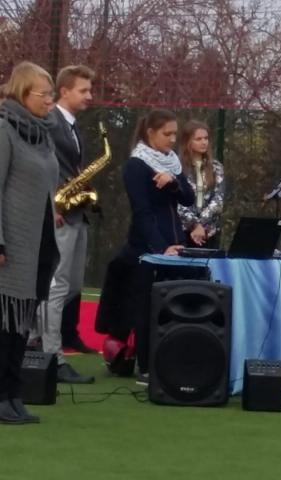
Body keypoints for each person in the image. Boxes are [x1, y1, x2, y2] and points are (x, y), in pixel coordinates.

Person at [95, 109, 194, 385]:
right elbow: (142, 212)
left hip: (176, 243)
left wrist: (173, 182)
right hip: (146, 246)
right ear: (150, 133)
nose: (172, 139)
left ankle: (175, 358)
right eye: (167, 134)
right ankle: (145, 364)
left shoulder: (172, 162)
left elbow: (188, 198)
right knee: (145, 305)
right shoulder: (136, 166)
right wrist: (160, 248)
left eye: (175, 134)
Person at [0, 61, 60, 424]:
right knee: (5, 322)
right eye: (44, 94)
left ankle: (13, 394)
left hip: (39, 241)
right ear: (23, 93)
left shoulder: (42, 134)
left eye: (52, 94)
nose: (50, 101)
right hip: (12, 242)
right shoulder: (4, 129)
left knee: (21, 323)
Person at [38, 65, 98, 386]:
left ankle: (34, 339)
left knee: (72, 285)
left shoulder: (72, 125)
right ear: (64, 91)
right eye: (83, 90)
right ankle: (52, 357)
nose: (89, 96)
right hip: (59, 212)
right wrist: (51, 203)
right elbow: (41, 161)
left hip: (75, 212)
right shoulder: (50, 121)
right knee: (57, 285)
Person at [177, 120, 224, 248]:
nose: (204, 142)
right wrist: (194, 225)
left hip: (208, 232)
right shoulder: (177, 166)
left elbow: (218, 200)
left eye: (206, 138)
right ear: (187, 141)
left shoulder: (216, 167)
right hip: (183, 231)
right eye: (198, 139)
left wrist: (201, 225)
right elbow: (177, 202)